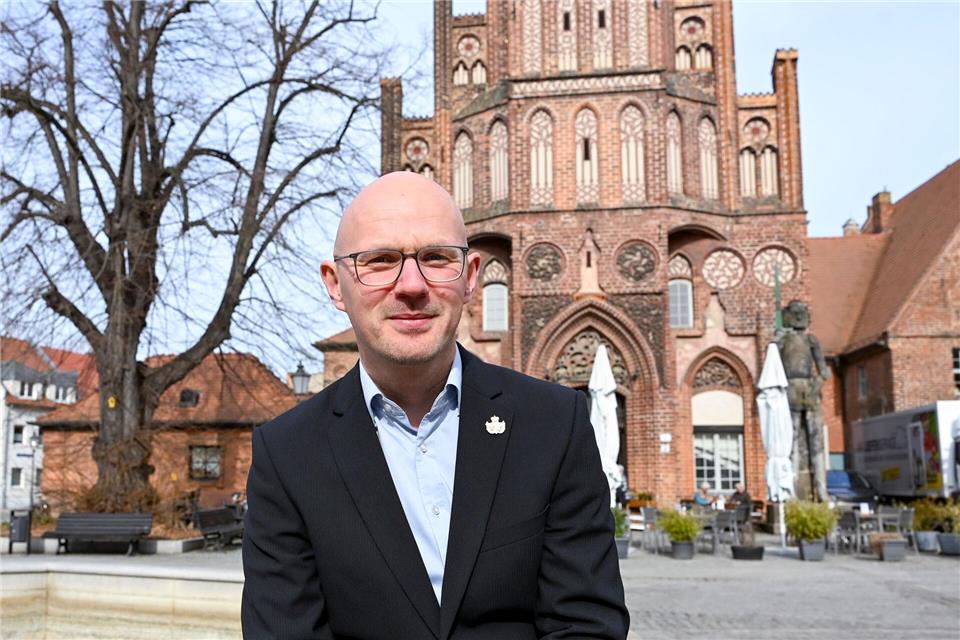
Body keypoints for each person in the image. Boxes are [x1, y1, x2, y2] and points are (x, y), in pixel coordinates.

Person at [241, 172, 629, 639]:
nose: (411, 285)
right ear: (335, 284)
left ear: (469, 278)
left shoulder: (554, 424)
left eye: (436, 258)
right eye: (379, 260)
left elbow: (585, 625)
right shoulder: (286, 454)